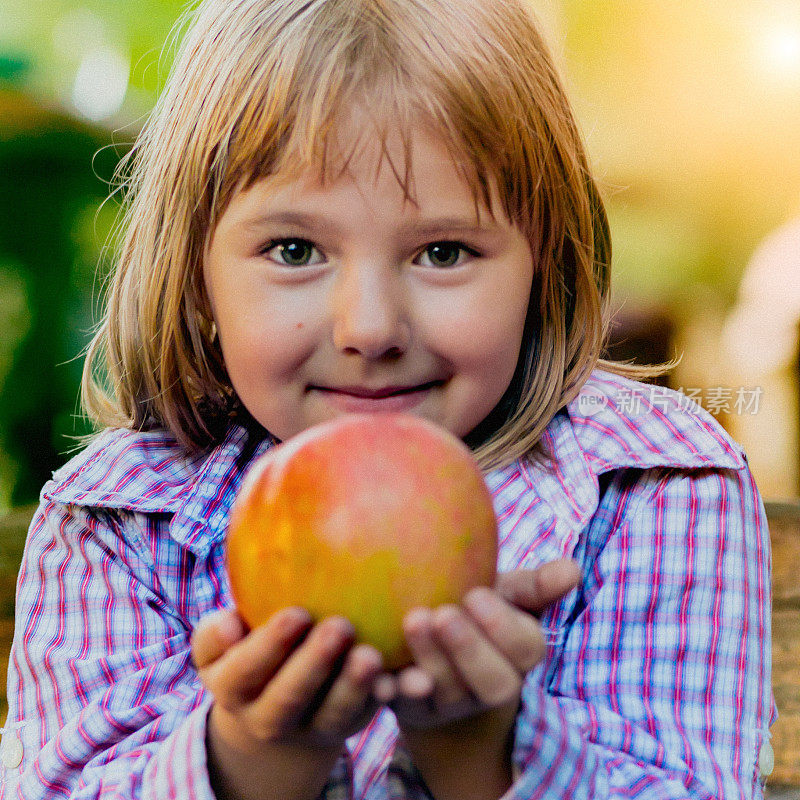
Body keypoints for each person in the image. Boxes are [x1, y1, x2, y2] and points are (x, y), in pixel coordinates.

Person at [0, 0, 775, 798]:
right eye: (294, 250)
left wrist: (485, 747)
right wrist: (251, 757)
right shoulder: (124, 519)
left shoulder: (657, 487)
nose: (369, 328)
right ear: (197, 270)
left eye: (444, 251)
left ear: (545, 259)